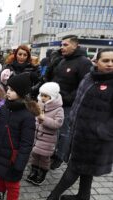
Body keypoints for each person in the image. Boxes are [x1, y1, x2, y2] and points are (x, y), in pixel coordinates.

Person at [47, 48, 113, 200]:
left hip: (96, 140)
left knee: (74, 169)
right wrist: (72, 119)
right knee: (86, 170)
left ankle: (52, 197)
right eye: (106, 60)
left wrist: (101, 131)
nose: (110, 64)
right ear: (96, 61)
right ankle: (83, 196)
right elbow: (78, 101)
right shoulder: (90, 77)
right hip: (79, 134)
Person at [0, 73, 40, 200]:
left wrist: (20, 163)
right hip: (0, 152)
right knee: (0, 176)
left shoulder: (27, 116)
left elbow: (27, 143)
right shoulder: (4, 108)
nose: (8, 92)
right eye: (8, 88)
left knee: (12, 184)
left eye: (12, 90)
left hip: (13, 157)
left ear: (21, 92)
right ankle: (0, 193)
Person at [50, 35, 92, 169]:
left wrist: (68, 98)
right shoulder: (62, 60)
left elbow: (84, 85)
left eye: (66, 45)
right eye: (61, 45)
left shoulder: (84, 62)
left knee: (64, 132)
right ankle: (53, 151)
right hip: (55, 102)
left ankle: (60, 156)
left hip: (69, 104)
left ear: (75, 45)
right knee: (55, 130)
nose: (62, 47)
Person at [26, 82, 64, 186]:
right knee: (34, 155)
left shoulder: (58, 109)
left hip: (48, 139)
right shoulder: (39, 104)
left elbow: (58, 123)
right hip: (36, 136)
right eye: (41, 95)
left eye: (45, 96)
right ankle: (34, 170)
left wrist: (44, 119)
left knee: (44, 158)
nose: (42, 98)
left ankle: (42, 173)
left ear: (52, 96)